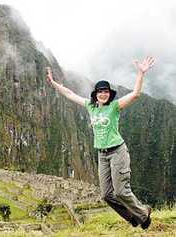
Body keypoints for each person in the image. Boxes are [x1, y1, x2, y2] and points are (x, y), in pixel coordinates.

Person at [46, 56, 155, 229]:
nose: (103, 94)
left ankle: (143, 214)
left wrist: (141, 74)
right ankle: (132, 218)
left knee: (120, 191)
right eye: (100, 91)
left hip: (118, 151)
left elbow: (135, 94)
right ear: (96, 95)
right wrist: (53, 83)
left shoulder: (115, 107)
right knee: (106, 195)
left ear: (109, 94)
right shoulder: (91, 106)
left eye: (106, 91)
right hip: (102, 155)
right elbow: (70, 94)